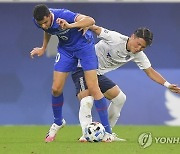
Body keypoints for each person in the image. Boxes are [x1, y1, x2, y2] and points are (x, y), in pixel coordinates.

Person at [71, 25, 180, 142]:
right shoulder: (114, 38)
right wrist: (78, 24)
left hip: (97, 74)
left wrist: (167, 85)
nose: (139, 48)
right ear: (132, 36)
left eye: (143, 47)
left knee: (120, 98)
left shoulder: (138, 55)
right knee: (87, 100)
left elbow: (150, 71)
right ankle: (86, 135)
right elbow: (96, 28)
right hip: (82, 68)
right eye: (138, 44)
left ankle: (107, 134)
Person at [30, 4, 113, 143]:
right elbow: (48, 30)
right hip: (66, 50)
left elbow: (90, 20)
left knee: (93, 88)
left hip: (84, 47)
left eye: (45, 22)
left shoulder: (63, 14)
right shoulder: (39, 21)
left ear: (50, 15)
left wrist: (69, 26)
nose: (44, 25)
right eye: (41, 24)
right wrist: (43, 48)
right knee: (56, 89)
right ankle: (58, 122)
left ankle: (108, 131)